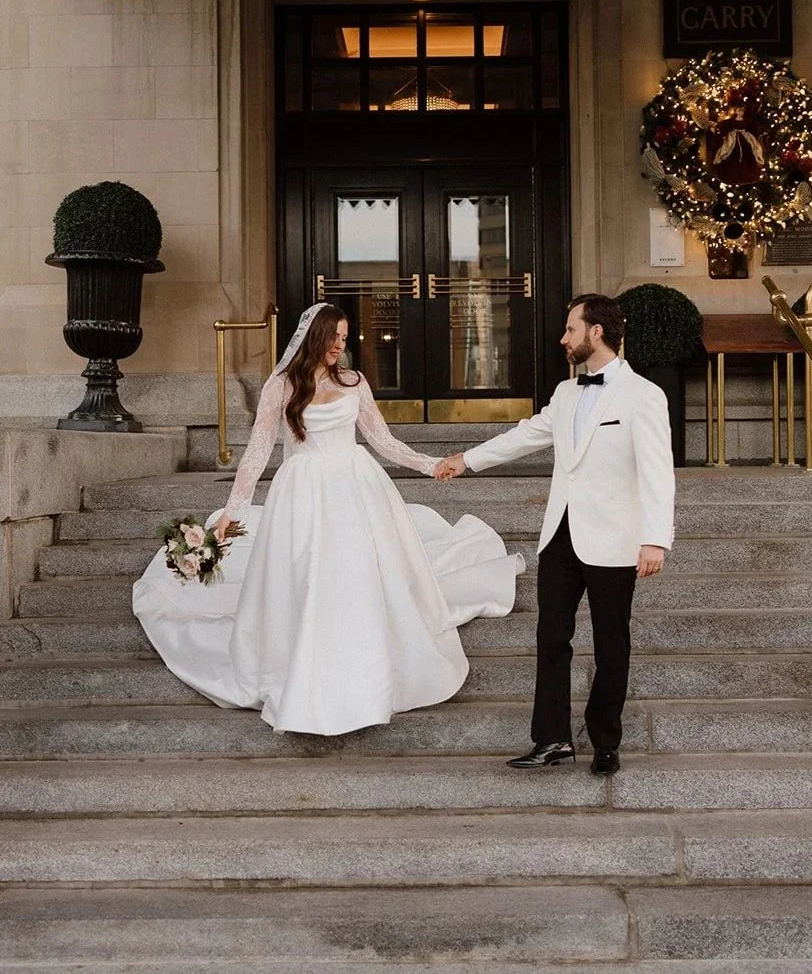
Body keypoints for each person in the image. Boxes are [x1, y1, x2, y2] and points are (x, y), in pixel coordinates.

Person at [133, 303, 523, 736]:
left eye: (345, 336)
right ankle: (305, 661)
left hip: (357, 487)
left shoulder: (355, 382)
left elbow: (383, 440)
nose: (341, 344)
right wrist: (232, 511)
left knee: (357, 573)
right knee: (307, 574)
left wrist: (431, 465)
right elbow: (258, 452)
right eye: (334, 336)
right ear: (314, 336)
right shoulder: (280, 386)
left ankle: (364, 664)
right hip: (303, 490)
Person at [435, 293, 675, 775]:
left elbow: (658, 471)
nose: (562, 339)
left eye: (570, 329)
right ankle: (551, 740)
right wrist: (467, 460)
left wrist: (656, 538)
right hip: (560, 537)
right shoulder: (567, 394)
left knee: (612, 644)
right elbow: (524, 435)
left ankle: (606, 741)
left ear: (596, 333)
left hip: (614, 541)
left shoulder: (643, 395)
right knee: (551, 639)